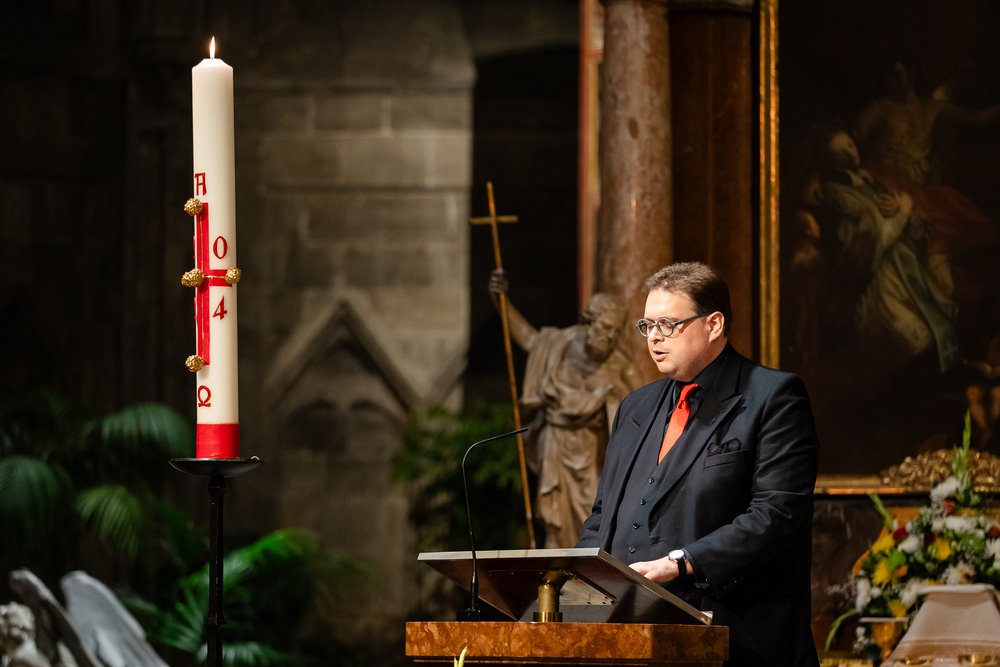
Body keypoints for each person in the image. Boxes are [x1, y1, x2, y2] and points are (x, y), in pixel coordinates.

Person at [576, 262, 820, 667]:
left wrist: (681, 562)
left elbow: (776, 514)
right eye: (647, 325)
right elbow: (603, 516)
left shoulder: (774, 397)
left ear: (714, 324)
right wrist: (577, 579)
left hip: (736, 640)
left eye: (668, 325)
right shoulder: (635, 407)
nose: (654, 337)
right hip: (632, 640)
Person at [489, 269, 641, 548]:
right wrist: (501, 301)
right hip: (556, 446)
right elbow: (527, 338)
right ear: (590, 321)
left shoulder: (622, 367)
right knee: (555, 524)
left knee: (593, 519)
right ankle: (555, 575)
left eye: (616, 332)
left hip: (594, 454)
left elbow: (645, 415)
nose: (609, 337)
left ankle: (589, 575)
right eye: (605, 327)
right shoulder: (558, 344)